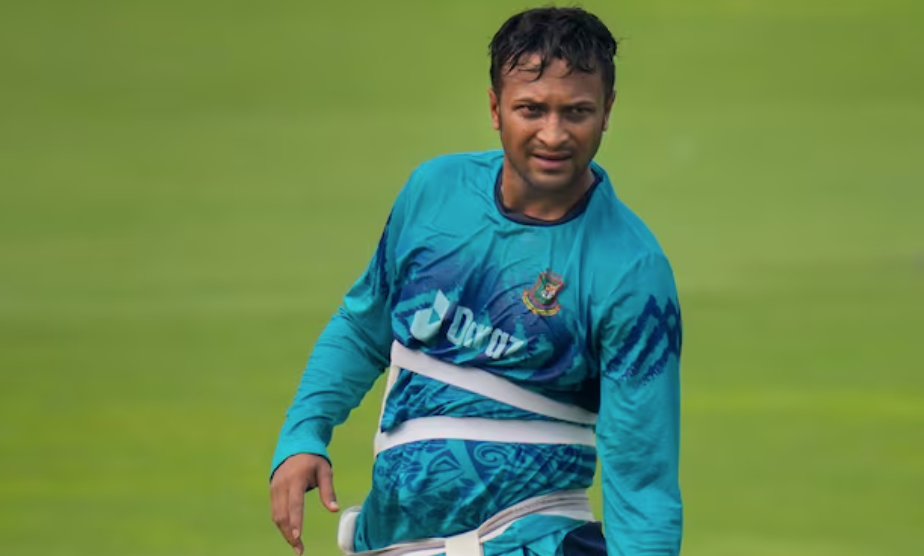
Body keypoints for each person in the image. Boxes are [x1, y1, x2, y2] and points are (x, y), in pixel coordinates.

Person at [269, 6, 683, 556]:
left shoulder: (630, 271)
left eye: (577, 112)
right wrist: (304, 432)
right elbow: (364, 326)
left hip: (534, 541)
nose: (553, 134)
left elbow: (643, 480)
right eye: (531, 109)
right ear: (495, 108)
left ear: (606, 111)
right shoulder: (434, 193)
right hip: (394, 542)